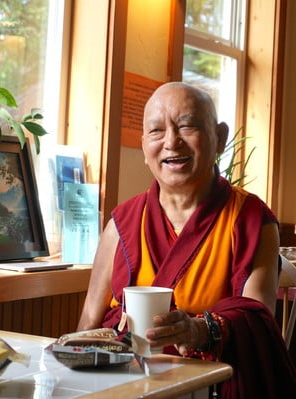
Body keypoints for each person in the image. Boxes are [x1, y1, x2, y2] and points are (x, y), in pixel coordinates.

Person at [77, 82, 296, 398]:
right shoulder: (122, 223)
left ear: (219, 138)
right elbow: (88, 324)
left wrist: (199, 330)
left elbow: (256, 315)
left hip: (211, 384)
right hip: (125, 382)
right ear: (143, 146)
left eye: (187, 126)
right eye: (156, 131)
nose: (171, 142)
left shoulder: (250, 219)